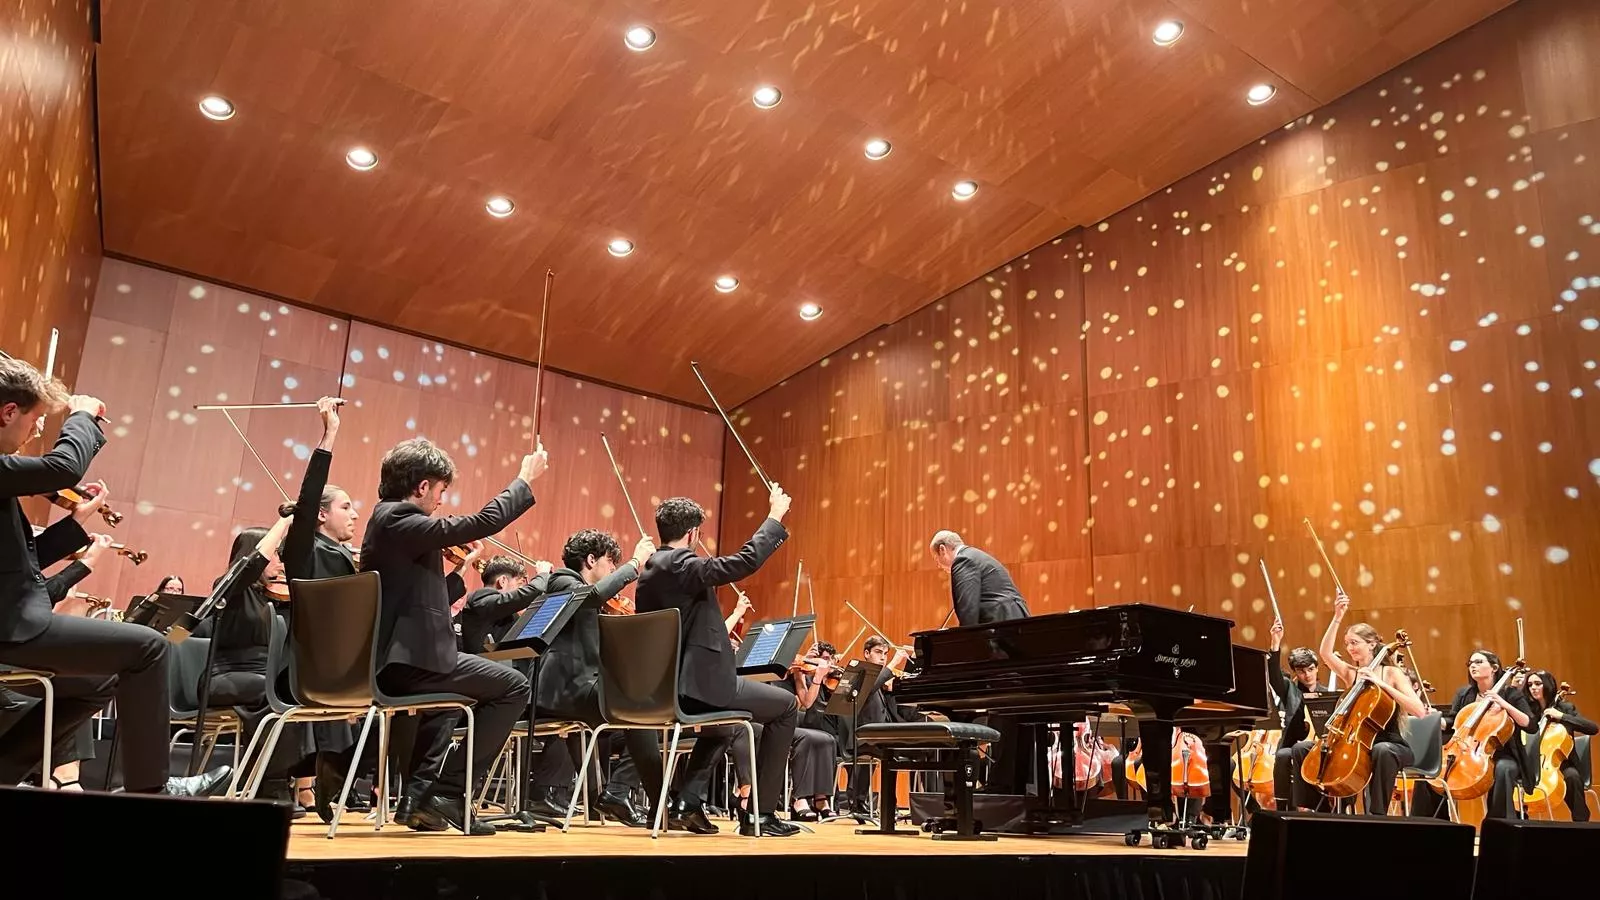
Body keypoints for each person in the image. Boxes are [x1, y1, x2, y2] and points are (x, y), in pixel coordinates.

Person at [0, 357, 225, 795]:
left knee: (99, 679)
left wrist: (77, 524)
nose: (36, 432)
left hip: (12, 617)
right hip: (10, 624)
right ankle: (152, 791)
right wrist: (81, 415)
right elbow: (62, 468)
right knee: (152, 648)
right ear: (8, 412)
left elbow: (20, 565)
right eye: (35, 419)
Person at [360, 437, 543, 835]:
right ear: (423, 486)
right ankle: (450, 793)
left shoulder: (390, 523)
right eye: (442, 490)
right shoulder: (398, 519)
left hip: (407, 660)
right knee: (513, 685)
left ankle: (418, 804)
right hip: (408, 664)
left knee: (445, 705)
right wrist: (523, 479)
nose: (442, 500)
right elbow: (482, 522)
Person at [635, 486, 801, 837]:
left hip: (665, 686)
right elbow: (742, 563)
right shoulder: (682, 563)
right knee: (786, 706)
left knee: (723, 727)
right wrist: (774, 517)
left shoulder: (649, 571)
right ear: (693, 533)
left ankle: (688, 802)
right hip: (699, 685)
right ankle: (761, 813)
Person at [523, 529, 661, 827]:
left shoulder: (584, 595)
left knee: (640, 713)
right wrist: (636, 562)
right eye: (611, 563)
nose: (613, 569)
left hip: (578, 686)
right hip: (563, 688)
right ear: (590, 560)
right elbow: (596, 595)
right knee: (644, 708)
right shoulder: (562, 580)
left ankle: (619, 795)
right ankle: (645, 800)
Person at [194, 516, 309, 813]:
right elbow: (250, 566)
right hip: (226, 674)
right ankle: (271, 783)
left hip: (261, 677)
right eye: (277, 556)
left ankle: (277, 778)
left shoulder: (275, 598)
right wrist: (283, 525)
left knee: (298, 690)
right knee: (275, 692)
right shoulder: (231, 589)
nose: (281, 564)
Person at [1295, 590, 1426, 815]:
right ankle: (1315, 811)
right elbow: (1325, 653)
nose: (1350, 649)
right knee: (1301, 748)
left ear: (1372, 644)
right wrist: (1337, 616)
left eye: (1355, 643)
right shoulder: (1351, 673)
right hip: (1356, 743)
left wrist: (1381, 684)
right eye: (1347, 644)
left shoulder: (1391, 673)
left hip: (1391, 744)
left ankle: (1377, 816)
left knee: (1382, 751)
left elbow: (1420, 711)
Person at [1411, 650, 1532, 820]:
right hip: (1465, 750)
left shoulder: (1512, 695)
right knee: (1432, 770)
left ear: (1494, 668)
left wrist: (1504, 704)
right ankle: (1432, 825)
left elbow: (1530, 725)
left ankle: (1498, 826)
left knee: (1504, 770)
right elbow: (1454, 722)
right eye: (1470, 663)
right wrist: (1436, 718)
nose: (1473, 666)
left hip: (1502, 753)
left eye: (1478, 662)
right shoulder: (1464, 694)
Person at [1523, 669, 1596, 821]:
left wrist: (1561, 717)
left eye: (1538, 684)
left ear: (1548, 685)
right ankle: (1519, 825)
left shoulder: (1565, 708)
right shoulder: (1528, 710)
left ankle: (1581, 824)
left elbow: (1592, 728)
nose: (1533, 688)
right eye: (1530, 685)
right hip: (1531, 762)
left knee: (1572, 777)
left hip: (1562, 763)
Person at [1267, 618, 1324, 810]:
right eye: (1301, 671)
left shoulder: (1327, 693)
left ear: (1317, 668)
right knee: (1283, 755)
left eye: (1311, 669)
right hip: (1294, 745)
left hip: (1321, 746)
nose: (1307, 675)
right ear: (1295, 672)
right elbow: (1274, 676)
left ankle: (1320, 806)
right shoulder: (1290, 690)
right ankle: (1284, 808)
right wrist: (1275, 643)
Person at [928, 530, 1029, 626]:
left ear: (942, 549)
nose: (938, 566)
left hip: (1000, 623)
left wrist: (966, 640)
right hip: (1014, 618)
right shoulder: (975, 556)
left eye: (936, 559)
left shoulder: (963, 560)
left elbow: (968, 611)